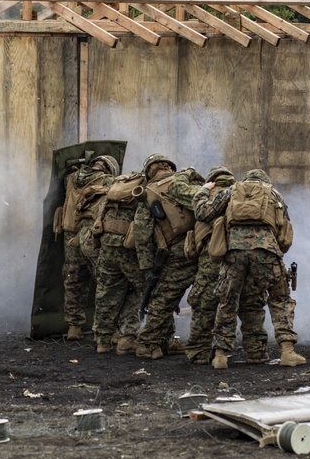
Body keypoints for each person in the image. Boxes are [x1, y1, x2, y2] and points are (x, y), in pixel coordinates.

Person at [194, 168, 301, 369]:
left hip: (233, 251)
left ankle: (220, 356)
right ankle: (288, 352)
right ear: (265, 181)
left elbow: (202, 213)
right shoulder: (275, 194)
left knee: (227, 301)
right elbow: (284, 232)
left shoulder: (232, 191)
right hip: (266, 250)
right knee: (279, 299)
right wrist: (275, 253)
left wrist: (203, 191)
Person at [131, 154, 203, 359]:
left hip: (177, 250)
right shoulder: (187, 181)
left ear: (149, 172)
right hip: (201, 246)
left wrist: (147, 268)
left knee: (163, 297)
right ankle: (168, 341)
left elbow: (142, 234)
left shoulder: (148, 193)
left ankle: (146, 343)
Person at [58, 155, 119, 341]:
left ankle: (74, 327)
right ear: (109, 169)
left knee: (74, 280)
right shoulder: (109, 181)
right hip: (91, 235)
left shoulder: (70, 178)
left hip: (70, 235)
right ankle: (110, 329)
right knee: (105, 281)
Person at [184, 166, 235, 365]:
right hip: (235, 257)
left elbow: (200, 213)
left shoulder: (208, 195)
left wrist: (203, 190)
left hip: (210, 258)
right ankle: (255, 350)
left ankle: (199, 352)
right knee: (241, 303)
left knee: (204, 303)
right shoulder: (240, 194)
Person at [91, 168, 146, 354]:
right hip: (129, 249)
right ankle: (127, 339)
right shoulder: (146, 189)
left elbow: (97, 214)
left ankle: (103, 341)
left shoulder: (114, 189)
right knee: (144, 291)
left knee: (106, 293)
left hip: (107, 245)